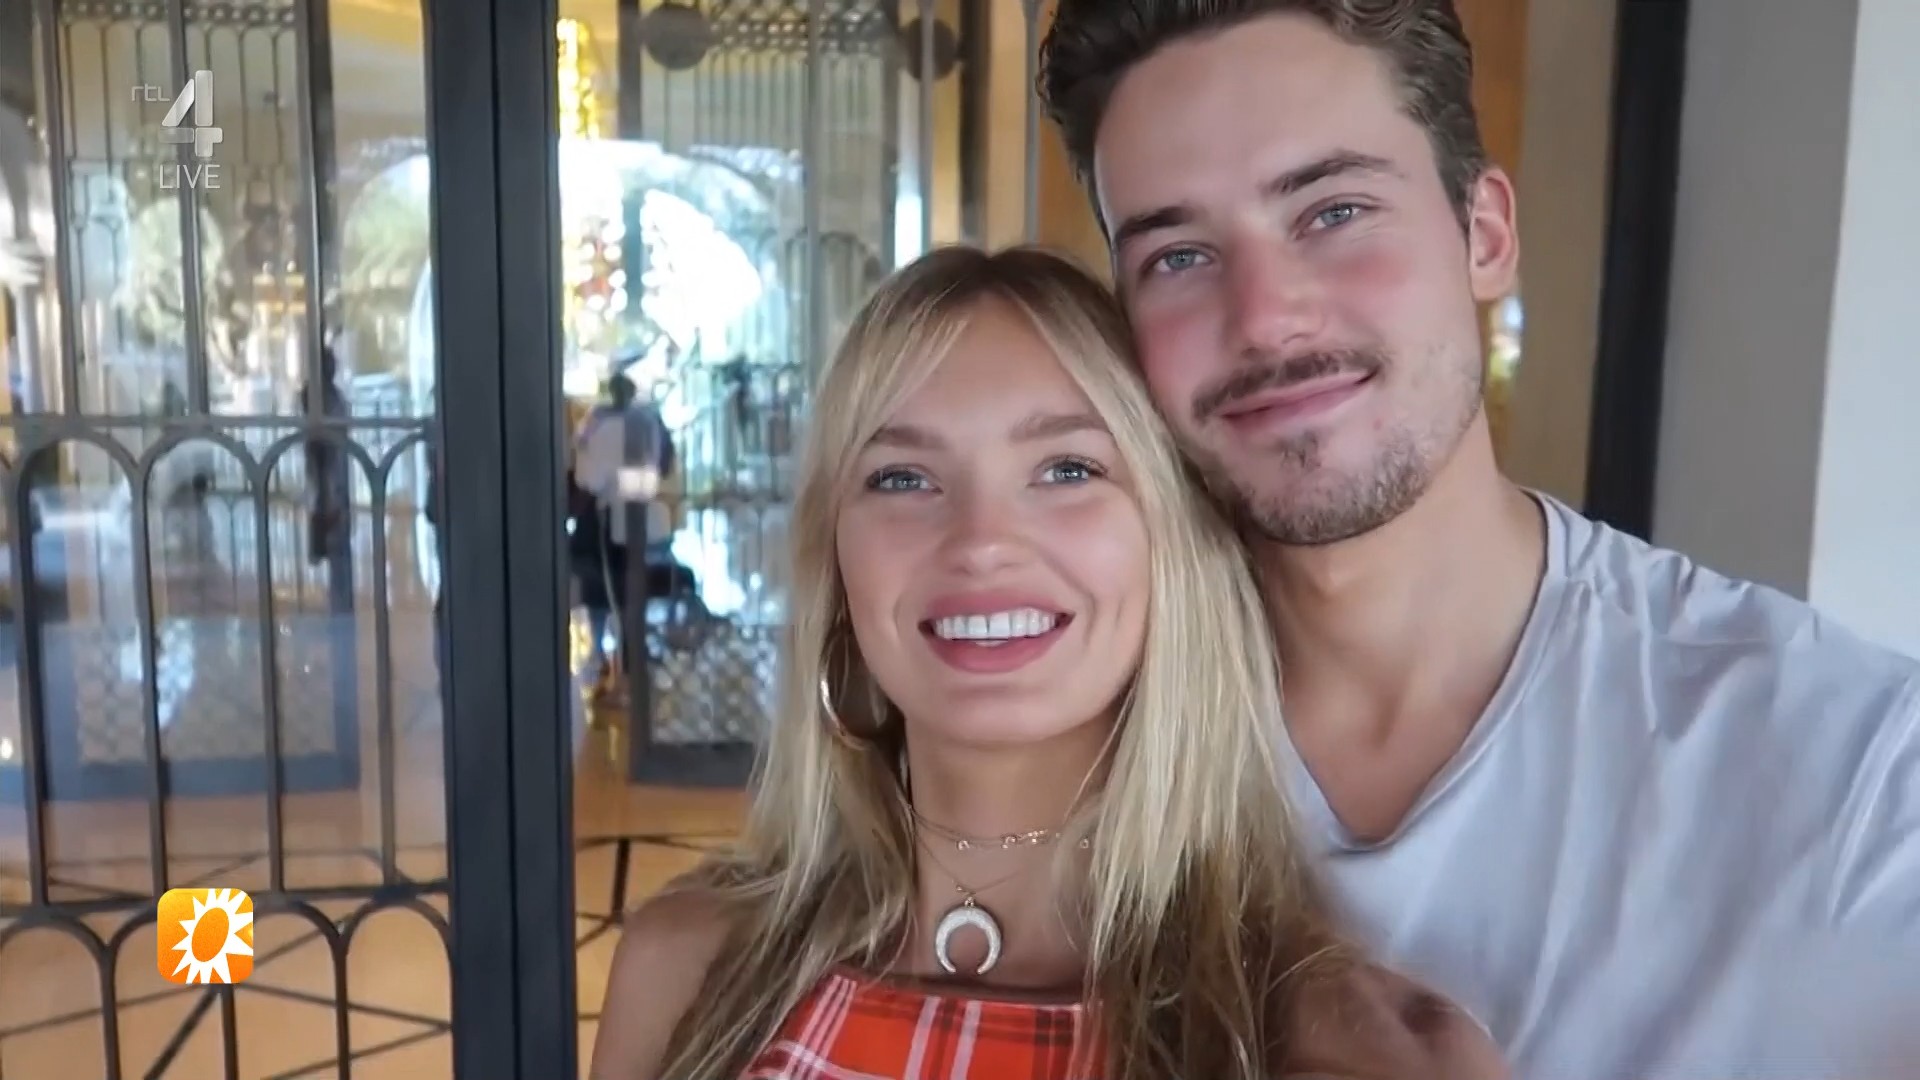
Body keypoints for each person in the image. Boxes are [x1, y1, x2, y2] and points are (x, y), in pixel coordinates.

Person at [1036, 2, 1920, 1077]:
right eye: (1178, 256)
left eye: (1334, 210)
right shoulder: (1059, 739)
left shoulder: (1857, 774)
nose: (1265, 317)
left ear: (1486, 235)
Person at [588, 246, 1507, 1079]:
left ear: (1174, 543)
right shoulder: (685, 970)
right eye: (902, 477)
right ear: (835, 566)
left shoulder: (1351, 1054)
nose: (982, 542)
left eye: (1068, 470)